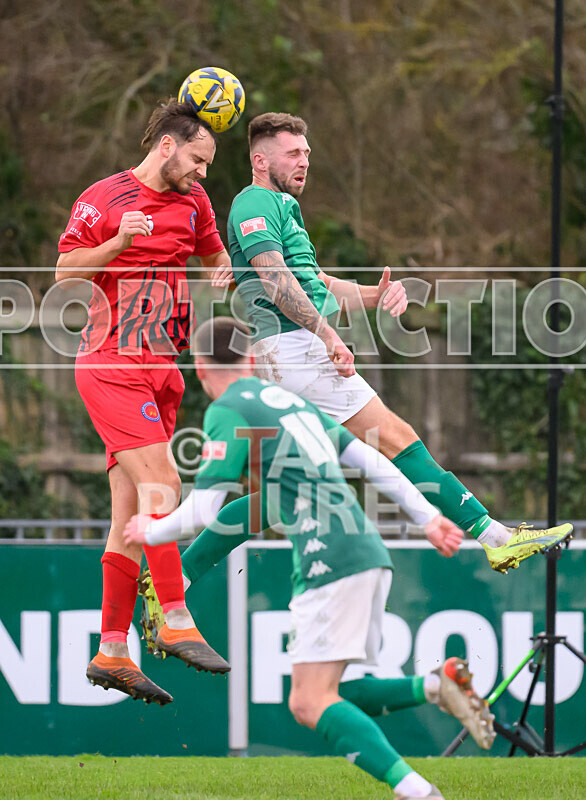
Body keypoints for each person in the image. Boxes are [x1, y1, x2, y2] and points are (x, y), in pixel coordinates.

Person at [124, 316, 494, 800]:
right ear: (251, 359)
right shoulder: (292, 404)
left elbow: (206, 508)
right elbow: (370, 458)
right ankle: (435, 686)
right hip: (367, 554)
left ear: (199, 367)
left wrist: (151, 530)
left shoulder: (228, 409)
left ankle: (419, 792)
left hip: (328, 562)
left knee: (308, 701)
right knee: (335, 693)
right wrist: (426, 517)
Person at [225, 112, 573, 574]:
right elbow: (276, 282)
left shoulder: (283, 207)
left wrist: (375, 295)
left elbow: (315, 283)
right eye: (293, 154)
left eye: (306, 153)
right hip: (295, 349)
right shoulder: (253, 203)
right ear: (260, 160)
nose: (304, 161)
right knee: (396, 439)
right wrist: (328, 335)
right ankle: (495, 537)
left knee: (278, 491)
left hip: (292, 352)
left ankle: (176, 576)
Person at [55, 99, 231, 705]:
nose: (202, 173)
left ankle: (112, 650)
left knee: (130, 518)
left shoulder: (194, 202)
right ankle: (173, 616)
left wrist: (222, 270)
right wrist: (116, 243)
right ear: (167, 146)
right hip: (111, 361)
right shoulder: (104, 198)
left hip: (161, 370)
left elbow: (213, 255)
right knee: (164, 486)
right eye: (198, 160)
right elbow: (63, 272)